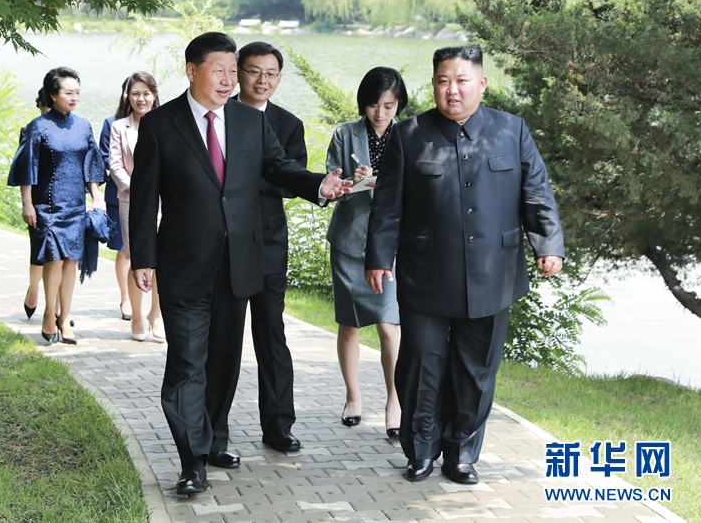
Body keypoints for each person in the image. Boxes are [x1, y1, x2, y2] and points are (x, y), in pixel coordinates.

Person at [129, 31, 352, 497]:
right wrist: (142, 258)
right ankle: (192, 462)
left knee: (223, 364)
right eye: (220, 70)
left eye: (234, 71)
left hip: (239, 265)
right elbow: (145, 198)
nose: (229, 80)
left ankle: (212, 441)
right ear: (192, 71)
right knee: (187, 363)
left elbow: (279, 167)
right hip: (184, 264)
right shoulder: (161, 124)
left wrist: (318, 185)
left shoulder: (250, 121)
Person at [365, 46, 565, 485]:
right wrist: (378, 257)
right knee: (419, 366)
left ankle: (460, 454)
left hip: (494, 275)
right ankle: (420, 450)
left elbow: (536, 192)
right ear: (434, 84)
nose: (451, 90)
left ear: (482, 83)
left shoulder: (511, 130)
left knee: (476, 372)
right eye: (442, 81)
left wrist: (548, 243)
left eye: (461, 80)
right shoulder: (409, 134)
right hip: (425, 275)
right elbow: (387, 205)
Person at [232, 41, 305, 453]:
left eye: (271, 73)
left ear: (278, 78)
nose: (262, 80)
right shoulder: (218, 116)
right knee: (222, 341)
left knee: (272, 336)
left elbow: (291, 182)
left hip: (269, 244)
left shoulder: (289, 125)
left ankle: (279, 426)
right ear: (238, 72)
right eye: (254, 71)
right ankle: (214, 432)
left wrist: (243, 177)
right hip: (223, 243)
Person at [326, 67, 406, 439]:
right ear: (364, 103)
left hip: (391, 244)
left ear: (398, 105)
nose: (380, 113)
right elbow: (331, 187)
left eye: (388, 106)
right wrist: (352, 182)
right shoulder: (345, 134)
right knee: (350, 323)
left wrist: (384, 182)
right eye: (374, 105)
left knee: (390, 325)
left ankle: (395, 401)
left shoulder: (408, 135)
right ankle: (353, 396)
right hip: (349, 240)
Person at [8, 67, 104, 345]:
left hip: (75, 205)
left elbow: (91, 164)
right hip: (47, 205)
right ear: (53, 94)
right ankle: (49, 313)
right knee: (54, 259)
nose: (75, 98)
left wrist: (96, 197)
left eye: (77, 93)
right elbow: (27, 167)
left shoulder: (84, 126)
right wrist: (27, 203)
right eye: (68, 93)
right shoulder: (38, 127)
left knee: (71, 261)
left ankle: (65, 317)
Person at [109, 71, 165, 341]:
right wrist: (139, 188)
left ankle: (157, 315)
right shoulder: (120, 127)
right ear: (127, 97)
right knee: (136, 257)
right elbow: (115, 165)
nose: (141, 99)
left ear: (154, 95)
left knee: (163, 259)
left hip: (165, 202)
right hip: (131, 202)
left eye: (146, 93)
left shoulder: (166, 123)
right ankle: (137, 317)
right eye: (135, 94)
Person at [98, 79, 133, 322]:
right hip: (120, 195)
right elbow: (105, 158)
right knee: (123, 249)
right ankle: (126, 298)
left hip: (154, 197)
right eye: (131, 92)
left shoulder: (156, 122)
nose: (137, 98)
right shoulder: (111, 123)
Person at [23, 87, 50, 320]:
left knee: (62, 259)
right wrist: (27, 203)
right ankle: (33, 288)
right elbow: (26, 169)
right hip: (39, 201)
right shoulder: (31, 130)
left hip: (64, 202)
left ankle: (57, 308)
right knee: (39, 251)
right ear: (40, 104)